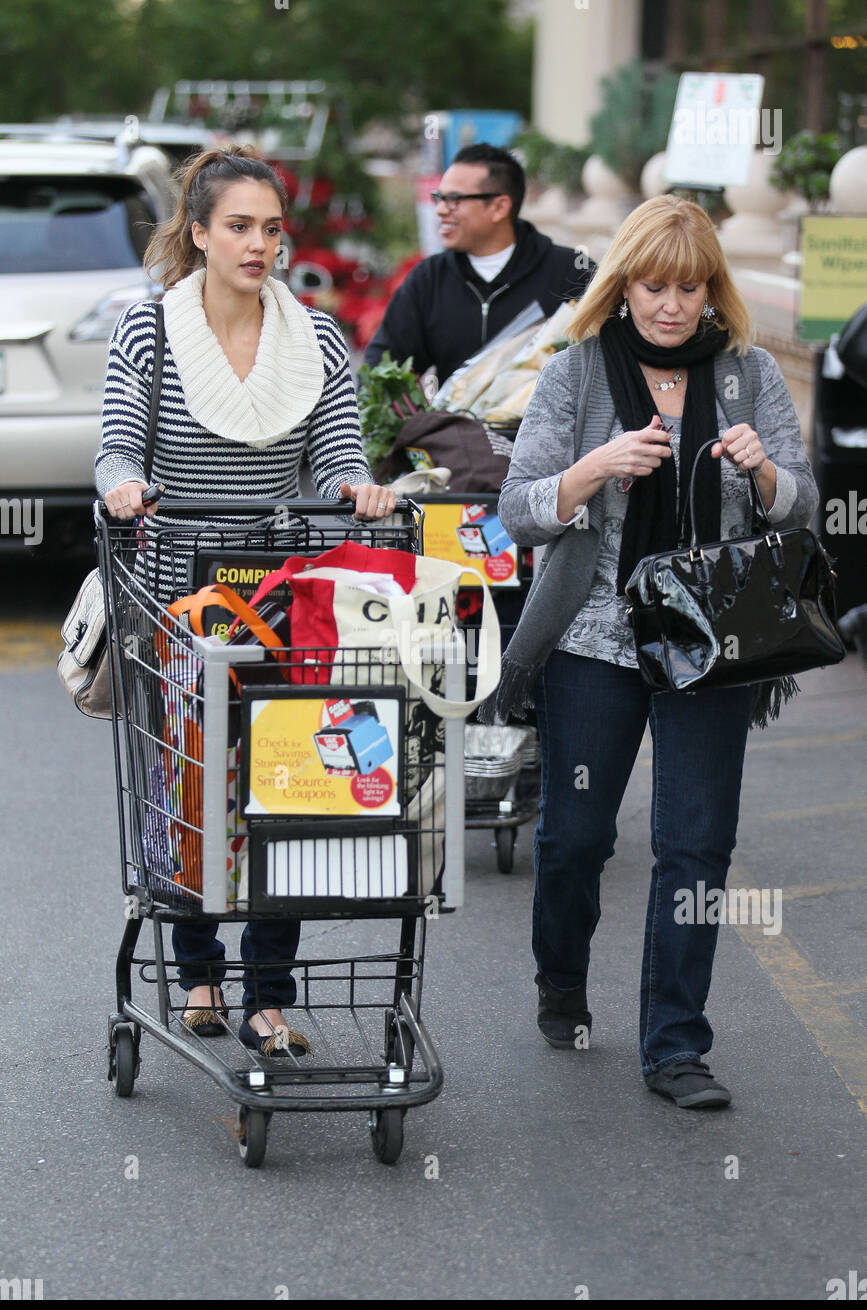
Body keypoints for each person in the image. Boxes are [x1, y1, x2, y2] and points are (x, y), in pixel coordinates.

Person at [492, 194, 818, 1109]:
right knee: (573, 838)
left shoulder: (747, 375)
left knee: (696, 847)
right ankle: (561, 976)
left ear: (712, 289)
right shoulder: (575, 374)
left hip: (712, 641)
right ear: (623, 284)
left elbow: (802, 503)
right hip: (596, 637)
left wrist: (760, 468)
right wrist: (596, 467)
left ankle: (675, 1044)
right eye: (653, 285)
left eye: (689, 287)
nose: (671, 305)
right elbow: (519, 511)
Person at [95, 146, 396, 1059]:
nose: (259, 244)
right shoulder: (148, 331)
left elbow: (340, 456)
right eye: (239, 227)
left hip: (280, 598)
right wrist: (123, 486)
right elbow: (116, 446)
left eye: (272, 228)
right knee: (190, 788)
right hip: (177, 598)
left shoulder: (320, 340)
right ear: (198, 233)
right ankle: (195, 974)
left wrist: (360, 488)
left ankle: (268, 994)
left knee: (283, 790)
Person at [364, 143, 595, 386]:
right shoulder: (429, 279)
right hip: (455, 423)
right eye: (439, 198)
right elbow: (382, 367)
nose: (441, 210)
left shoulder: (572, 273)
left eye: (453, 199)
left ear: (499, 207)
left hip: (546, 423)